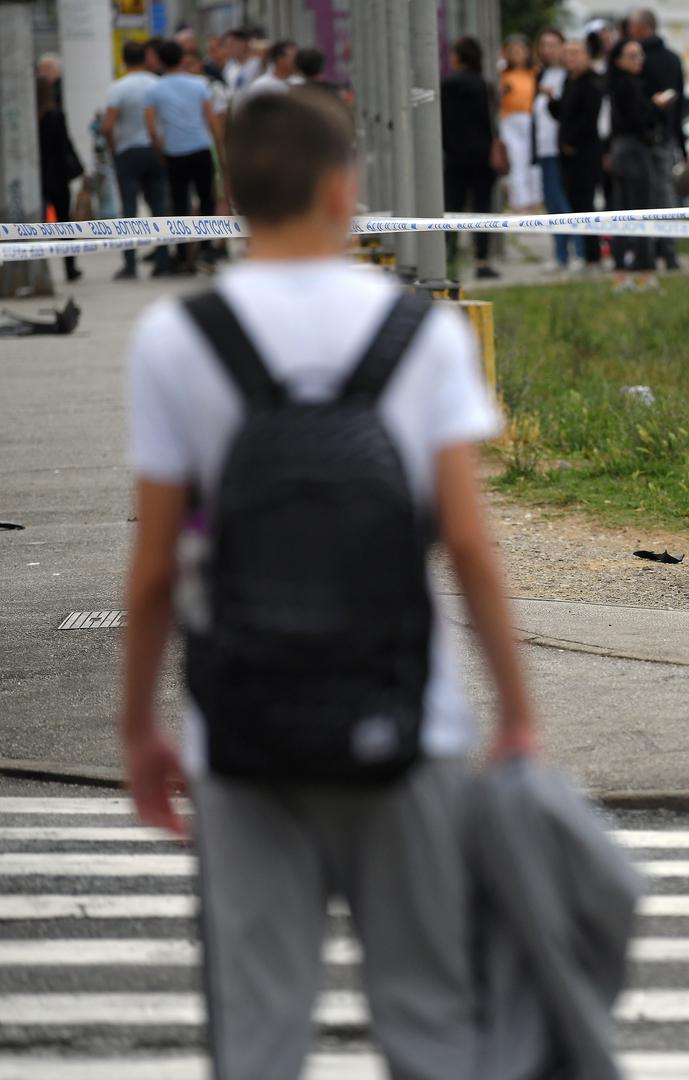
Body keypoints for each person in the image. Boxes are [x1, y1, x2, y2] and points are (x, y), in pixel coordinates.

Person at [120, 87, 537, 1079]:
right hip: (406, 723)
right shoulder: (420, 336)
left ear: (230, 194)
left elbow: (152, 571)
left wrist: (141, 725)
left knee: (258, 1032)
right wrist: (516, 713)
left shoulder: (178, 340)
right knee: (431, 1021)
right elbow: (471, 549)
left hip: (244, 732)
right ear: (344, 189)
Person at [145, 38, 224, 275]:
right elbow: (211, 119)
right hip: (200, 148)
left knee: (179, 203)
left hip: (174, 152)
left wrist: (161, 152)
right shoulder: (200, 84)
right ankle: (206, 249)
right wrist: (220, 150)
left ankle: (180, 253)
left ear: (159, 61)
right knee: (206, 199)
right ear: (182, 59)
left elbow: (150, 128)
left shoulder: (154, 89)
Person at [104, 39, 172, 280]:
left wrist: (114, 150)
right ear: (145, 58)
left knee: (129, 210)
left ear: (123, 59)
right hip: (154, 151)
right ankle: (163, 261)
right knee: (159, 208)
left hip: (128, 152)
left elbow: (108, 125)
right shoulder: (157, 84)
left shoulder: (118, 88)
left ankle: (130, 264)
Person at [606, 38, 667, 292]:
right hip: (633, 151)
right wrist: (656, 106)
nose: (638, 60)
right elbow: (638, 121)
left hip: (621, 150)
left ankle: (622, 271)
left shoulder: (618, 84)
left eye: (640, 55)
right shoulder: (628, 85)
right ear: (619, 60)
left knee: (622, 211)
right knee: (641, 211)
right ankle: (643, 271)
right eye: (632, 55)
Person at [626, 9, 685, 272]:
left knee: (645, 198)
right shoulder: (673, 59)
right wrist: (680, 142)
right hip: (667, 137)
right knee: (665, 194)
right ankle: (668, 252)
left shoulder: (639, 60)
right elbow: (680, 105)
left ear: (640, 28)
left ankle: (647, 254)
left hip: (644, 139)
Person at [442, 36, 500, 280]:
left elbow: (443, 121)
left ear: (459, 57)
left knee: (452, 208)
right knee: (482, 209)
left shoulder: (448, 85)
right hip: (482, 154)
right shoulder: (484, 85)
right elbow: (490, 121)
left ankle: (449, 256)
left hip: (456, 156)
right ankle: (482, 259)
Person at [550, 38, 604, 270]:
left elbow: (588, 119)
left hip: (585, 153)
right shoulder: (569, 80)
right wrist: (551, 101)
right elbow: (563, 114)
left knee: (585, 203)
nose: (570, 58)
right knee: (573, 201)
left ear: (586, 56)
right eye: (567, 53)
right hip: (568, 154)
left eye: (575, 53)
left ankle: (592, 255)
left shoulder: (592, 82)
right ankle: (583, 253)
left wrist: (571, 142)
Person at [37, 74, 84, 283]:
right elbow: (65, 144)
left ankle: (37, 267)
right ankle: (70, 267)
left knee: (34, 225)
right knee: (65, 223)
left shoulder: (26, 116)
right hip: (57, 176)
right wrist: (77, 166)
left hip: (36, 177)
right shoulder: (56, 115)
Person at [531, 27, 572, 266]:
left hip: (561, 148)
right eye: (544, 45)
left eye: (553, 44)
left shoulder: (568, 75)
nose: (548, 50)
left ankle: (574, 251)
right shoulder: (541, 75)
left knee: (565, 201)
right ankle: (559, 253)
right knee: (552, 205)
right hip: (544, 147)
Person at [497, 35, 540, 214]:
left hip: (529, 119)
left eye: (520, 50)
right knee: (516, 161)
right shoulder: (503, 75)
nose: (517, 54)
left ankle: (533, 201)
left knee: (530, 163)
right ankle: (518, 203)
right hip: (510, 120)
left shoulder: (534, 73)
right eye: (513, 51)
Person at [238, 39, 297, 106]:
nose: (297, 61)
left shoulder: (298, 82)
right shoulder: (261, 85)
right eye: (293, 57)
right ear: (279, 58)